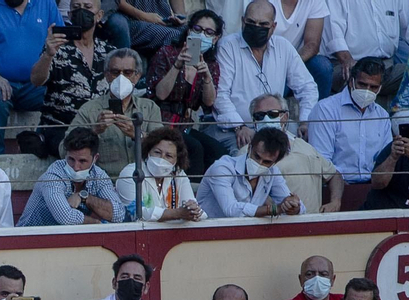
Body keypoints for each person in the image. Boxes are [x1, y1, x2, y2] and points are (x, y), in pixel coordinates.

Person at [214, 0, 316, 151]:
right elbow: (220, 94)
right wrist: (238, 126)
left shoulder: (284, 47)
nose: (257, 28)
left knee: (303, 155)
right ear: (243, 21)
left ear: (273, 27)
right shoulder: (227, 46)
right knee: (244, 158)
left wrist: (305, 121)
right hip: (238, 130)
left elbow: (307, 87)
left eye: (263, 24)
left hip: (276, 128)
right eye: (251, 22)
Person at [0, 0, 61, 148]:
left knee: (59, 97)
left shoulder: (46, 3)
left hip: (33, 84)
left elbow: (61, 39)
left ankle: (45, 146)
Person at [32, 0, 117, 158]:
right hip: (61, 128)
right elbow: (36, 80)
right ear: (70, 15)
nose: (81, 11)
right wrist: (48, 55)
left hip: (99, 127)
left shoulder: (109, 53)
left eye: (87, 7)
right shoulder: (58, 48)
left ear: (99, 16)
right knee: (78, 149)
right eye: (76, 8)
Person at [147, 11, 225, 174]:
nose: (202, 35)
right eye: (197, 29)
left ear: (215, 38)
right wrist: (177, 65)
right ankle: (190, 194)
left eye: (208, 32)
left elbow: (209, 102)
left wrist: (206, 77)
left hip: (185, 124)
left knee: (218, 151)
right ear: (189, 30)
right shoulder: (167, 53)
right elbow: (160, 94)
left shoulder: (211, 64)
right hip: (161, 120)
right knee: (194, 149)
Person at [68, 48, 163, 175]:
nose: (121, 78)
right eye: (115, 72)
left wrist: (137, 134)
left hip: (142, 181)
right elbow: (64, 150)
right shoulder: (89, 110)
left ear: (137, 76)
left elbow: (164, 149)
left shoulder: (149, 108)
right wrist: (93, 131)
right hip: (106, 183)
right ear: (107, 75)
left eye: (127, 72)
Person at [18, 126, 126, 225]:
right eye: (71, 159)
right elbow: (66, 217)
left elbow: (119, 214)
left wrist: (85, 197)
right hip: (30, 241)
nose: (76, 167)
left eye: (82, 161)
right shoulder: (53, 175)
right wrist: (96, 223)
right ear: (66, 154)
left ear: (95, 159)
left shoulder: (98, 175)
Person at [308, 57, 393, 183]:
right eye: (362, 84)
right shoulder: (325, 110)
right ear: (351, 81)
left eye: (373, 87)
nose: (367, 91)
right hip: (337, 185)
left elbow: (385, 158)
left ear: (380, 88)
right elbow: (322, 160)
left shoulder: (382, 115)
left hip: (373, 186)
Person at [256, 94, 343, 211]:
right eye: (260, 115)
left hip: (314, 225)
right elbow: (251, 194)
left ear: (285, 117)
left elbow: (333, 175)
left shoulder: (304, 146)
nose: (266, 119)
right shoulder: (248, 153)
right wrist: (279, 208)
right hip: (276, 225)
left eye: (273, 114)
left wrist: (335, 201)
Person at [196, 124, 303, 217]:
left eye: (266, 162)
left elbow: (300, 208)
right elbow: (231, 209)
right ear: (249, 148)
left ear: (275, 162)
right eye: (256, 156)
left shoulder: (272, 172)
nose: (259, 163)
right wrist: (274, 209)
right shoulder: (222, 168)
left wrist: (293, 206)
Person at [326, 0, 409, 99]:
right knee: (360, 82)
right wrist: (347, 60)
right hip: (351, 65)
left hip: (386, 67)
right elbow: (334, 33)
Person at [116, 126, 202, 220]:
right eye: (157, 152)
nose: (162, 159)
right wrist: (177, 213)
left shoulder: (178, 174)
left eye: (168, 156)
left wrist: (193, 211)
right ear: (148, 152)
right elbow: (136, 213)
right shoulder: (132, 173)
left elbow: (193, 207)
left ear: (176, 160)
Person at [266, 0, 332, 99]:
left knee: (323, 66)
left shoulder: (315, 2)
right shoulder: (265, 2)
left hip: (296, 60)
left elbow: (312, 44)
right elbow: (258, 39)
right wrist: (278, 69)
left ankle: (319, 111)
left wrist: (289, 66)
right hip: (267, 62)